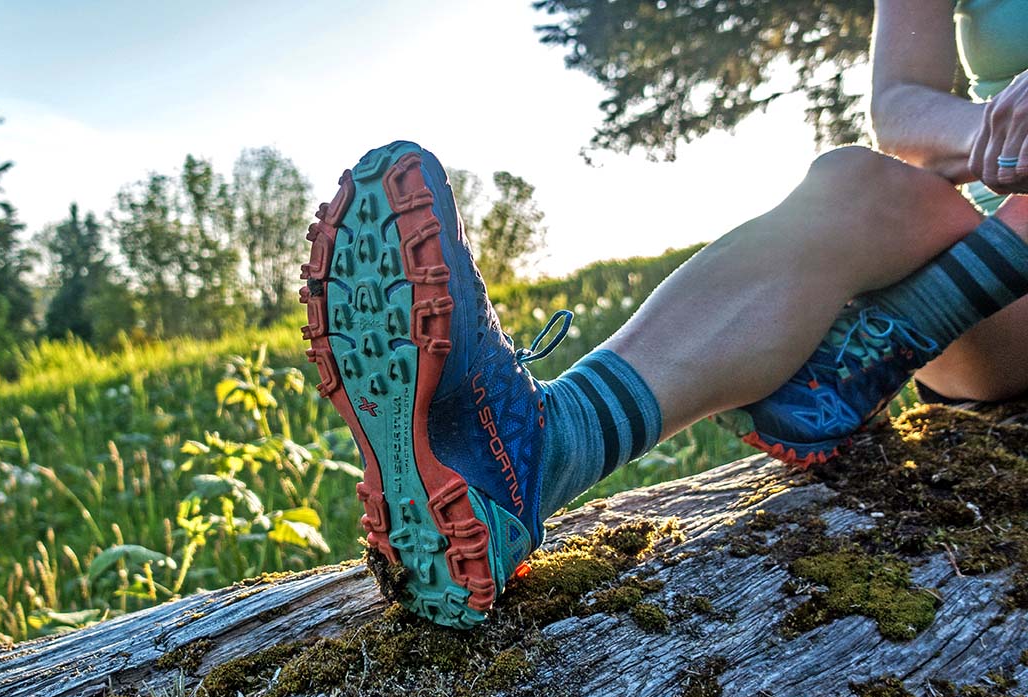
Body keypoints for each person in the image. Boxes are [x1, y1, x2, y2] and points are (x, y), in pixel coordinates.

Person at [299, 0, 1028, 628]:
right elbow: (900, 105)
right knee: (857, 180)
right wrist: (992, 129)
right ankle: (540, 450)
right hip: (991, 287)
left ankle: (850, 363)